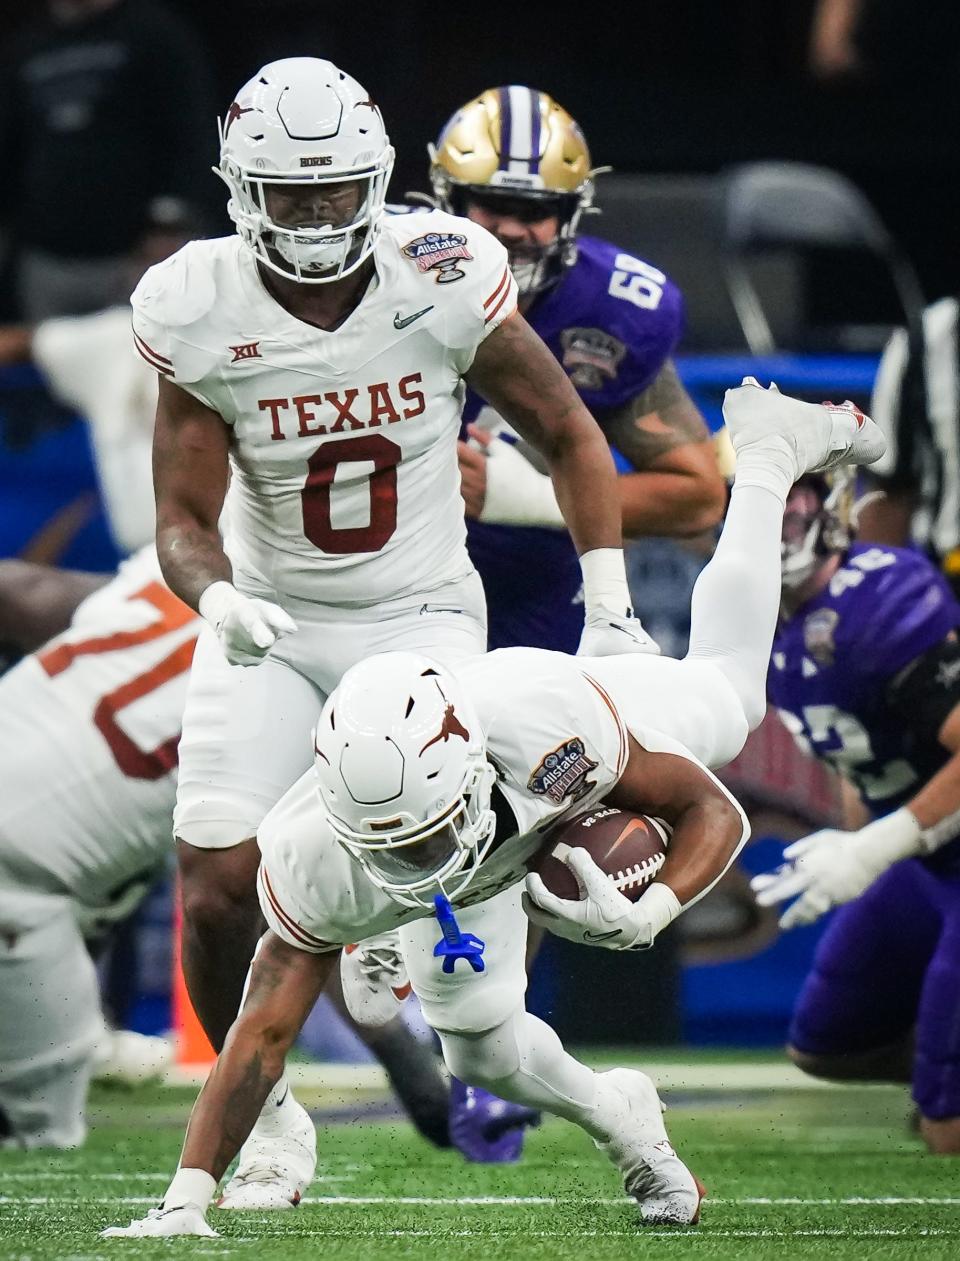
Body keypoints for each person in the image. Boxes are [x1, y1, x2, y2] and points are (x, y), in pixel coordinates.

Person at [100, 380, 886, 1238]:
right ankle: (621, 1114)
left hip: (547, 777)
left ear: (464, 766)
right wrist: (184, 1200)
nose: (418, 859)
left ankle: (768, 453)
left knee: (734, 702)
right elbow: (256, 1037)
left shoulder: (545, 716)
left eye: (424, 834)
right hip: (478, 835)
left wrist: (652, 911)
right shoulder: (312, 850)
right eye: (393, 847)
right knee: (478, 1048)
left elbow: (714, 810)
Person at [135, 56, 658, 1210]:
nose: (318, 216)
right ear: (240, 189)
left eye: (335, 192)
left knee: (439, 942)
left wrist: (610, 607)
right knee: (218, 882)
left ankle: (405, 946)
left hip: (418, 607)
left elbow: (573, 434)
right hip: (272, 614)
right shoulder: (196, 301)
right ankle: (269, 1124)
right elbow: (179, 515)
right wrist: (216, 595)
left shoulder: (440, 271)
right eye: (292, 194)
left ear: (375, 183)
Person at [430, 85, 726, 653]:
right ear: (450, 202)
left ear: (570, 215)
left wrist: (535, 498)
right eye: (493, 205)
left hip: (532, 584)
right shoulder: (382, 275)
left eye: (535, 211)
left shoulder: (610, 311)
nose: (511, 230)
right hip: (381, 577)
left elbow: (698, 496)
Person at [751, 469, 960, 1155]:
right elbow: (854, 762)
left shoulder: (883, 595)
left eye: (791, 508)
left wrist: (875, 847)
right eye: (755, 508)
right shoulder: (753, 617)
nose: (772, 526)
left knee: (947, 1128)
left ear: (831, 510)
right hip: (930, 857)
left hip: (932, 841)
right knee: (828, 1042)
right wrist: (863, 840)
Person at [0, 547, 197, 1146]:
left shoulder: (178, 561)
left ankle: (89, 1030)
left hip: (42, 863)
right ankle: (85, 1035)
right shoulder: (322, 654)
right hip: (22, 887)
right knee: (40, 1140)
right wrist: (404, 1065)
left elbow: (17, 588)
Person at [0, 0, 216, 320]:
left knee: (137, 363)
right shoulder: (28, 45)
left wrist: (170, 223)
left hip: (134, 256)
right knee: (51, 363)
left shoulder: (152, 31)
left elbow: (189, 129)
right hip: (46, 259)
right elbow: (10, 147)